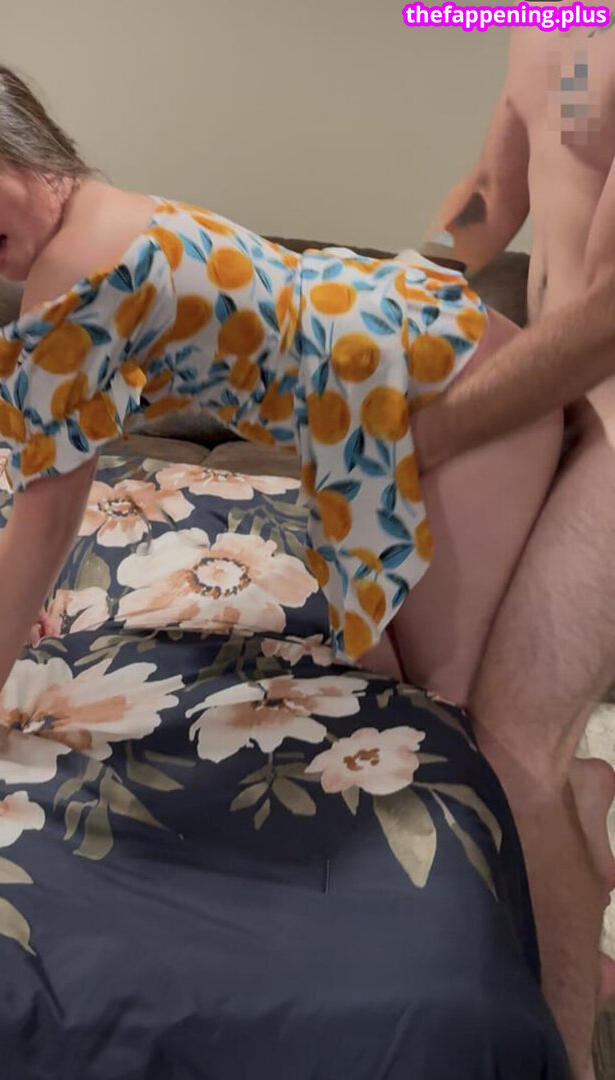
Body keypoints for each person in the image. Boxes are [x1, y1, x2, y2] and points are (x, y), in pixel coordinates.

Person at [0, 49, 591, 1074]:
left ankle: (555, 943)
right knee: (389, 675)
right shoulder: (97, 213)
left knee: (456, 715)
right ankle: (580, 819)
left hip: (436, 383)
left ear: (27, 147)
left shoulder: (69, 284)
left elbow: (48, 513)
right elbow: (54, 491)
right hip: (396, 354)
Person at [410, 11, 615, 1079]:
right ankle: (583, 817)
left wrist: (435, 430)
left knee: (512, 742)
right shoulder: (540, 25)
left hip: (608, 410)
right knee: (444, 687)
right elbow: (495, 203)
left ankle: (566, 1054)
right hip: (557, 399)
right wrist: (365, 300)